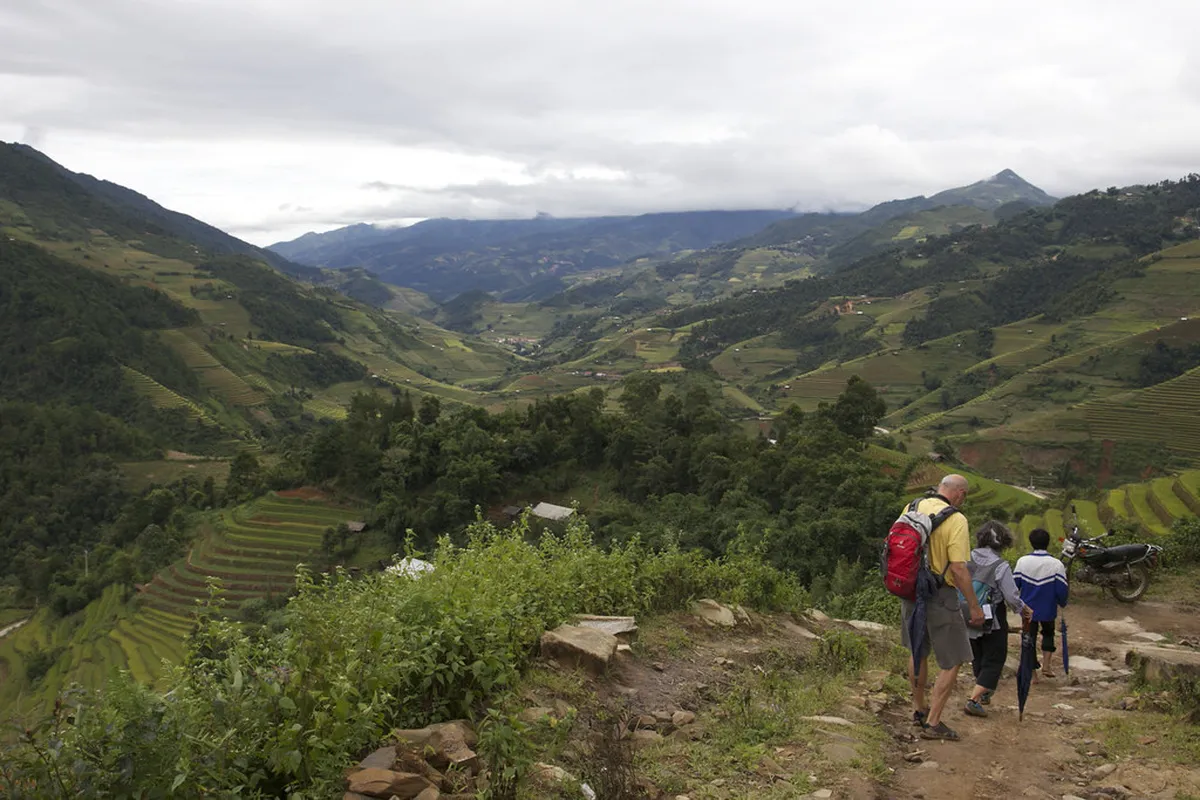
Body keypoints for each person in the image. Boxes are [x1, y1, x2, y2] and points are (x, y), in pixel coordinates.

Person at [901, 474, 985, 742]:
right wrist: (974, 606)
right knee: (954, 659)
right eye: (964, 496)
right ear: (960, 493)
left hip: (910, 590)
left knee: (918, 649)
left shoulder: (913, 506)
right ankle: (933, 722)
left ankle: (918, 710)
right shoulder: (956, 519)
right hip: (940, 594)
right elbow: (959, 568)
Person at [963, 521, 1032, 717]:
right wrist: (1023, 610)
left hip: (966, 611)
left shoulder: (965, 558)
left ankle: (982, 690)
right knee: (995, 657)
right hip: (991, 616)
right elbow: (1011, 596)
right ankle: (974, 699)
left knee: (977, 652)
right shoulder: (1000, 565)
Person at [1014, 528, 1070, 678]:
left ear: (1031, 543)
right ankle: (1046, 665)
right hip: (1048, 607)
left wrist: (1016, 604)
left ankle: (1032, 674)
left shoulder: (1022, 562)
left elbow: (1015, 585)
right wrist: (1062, 602)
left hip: (1028, 609)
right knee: (1048, 633)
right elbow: (1062, 589)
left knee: (1028, 638)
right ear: (1048, 543)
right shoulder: (1056, 564)